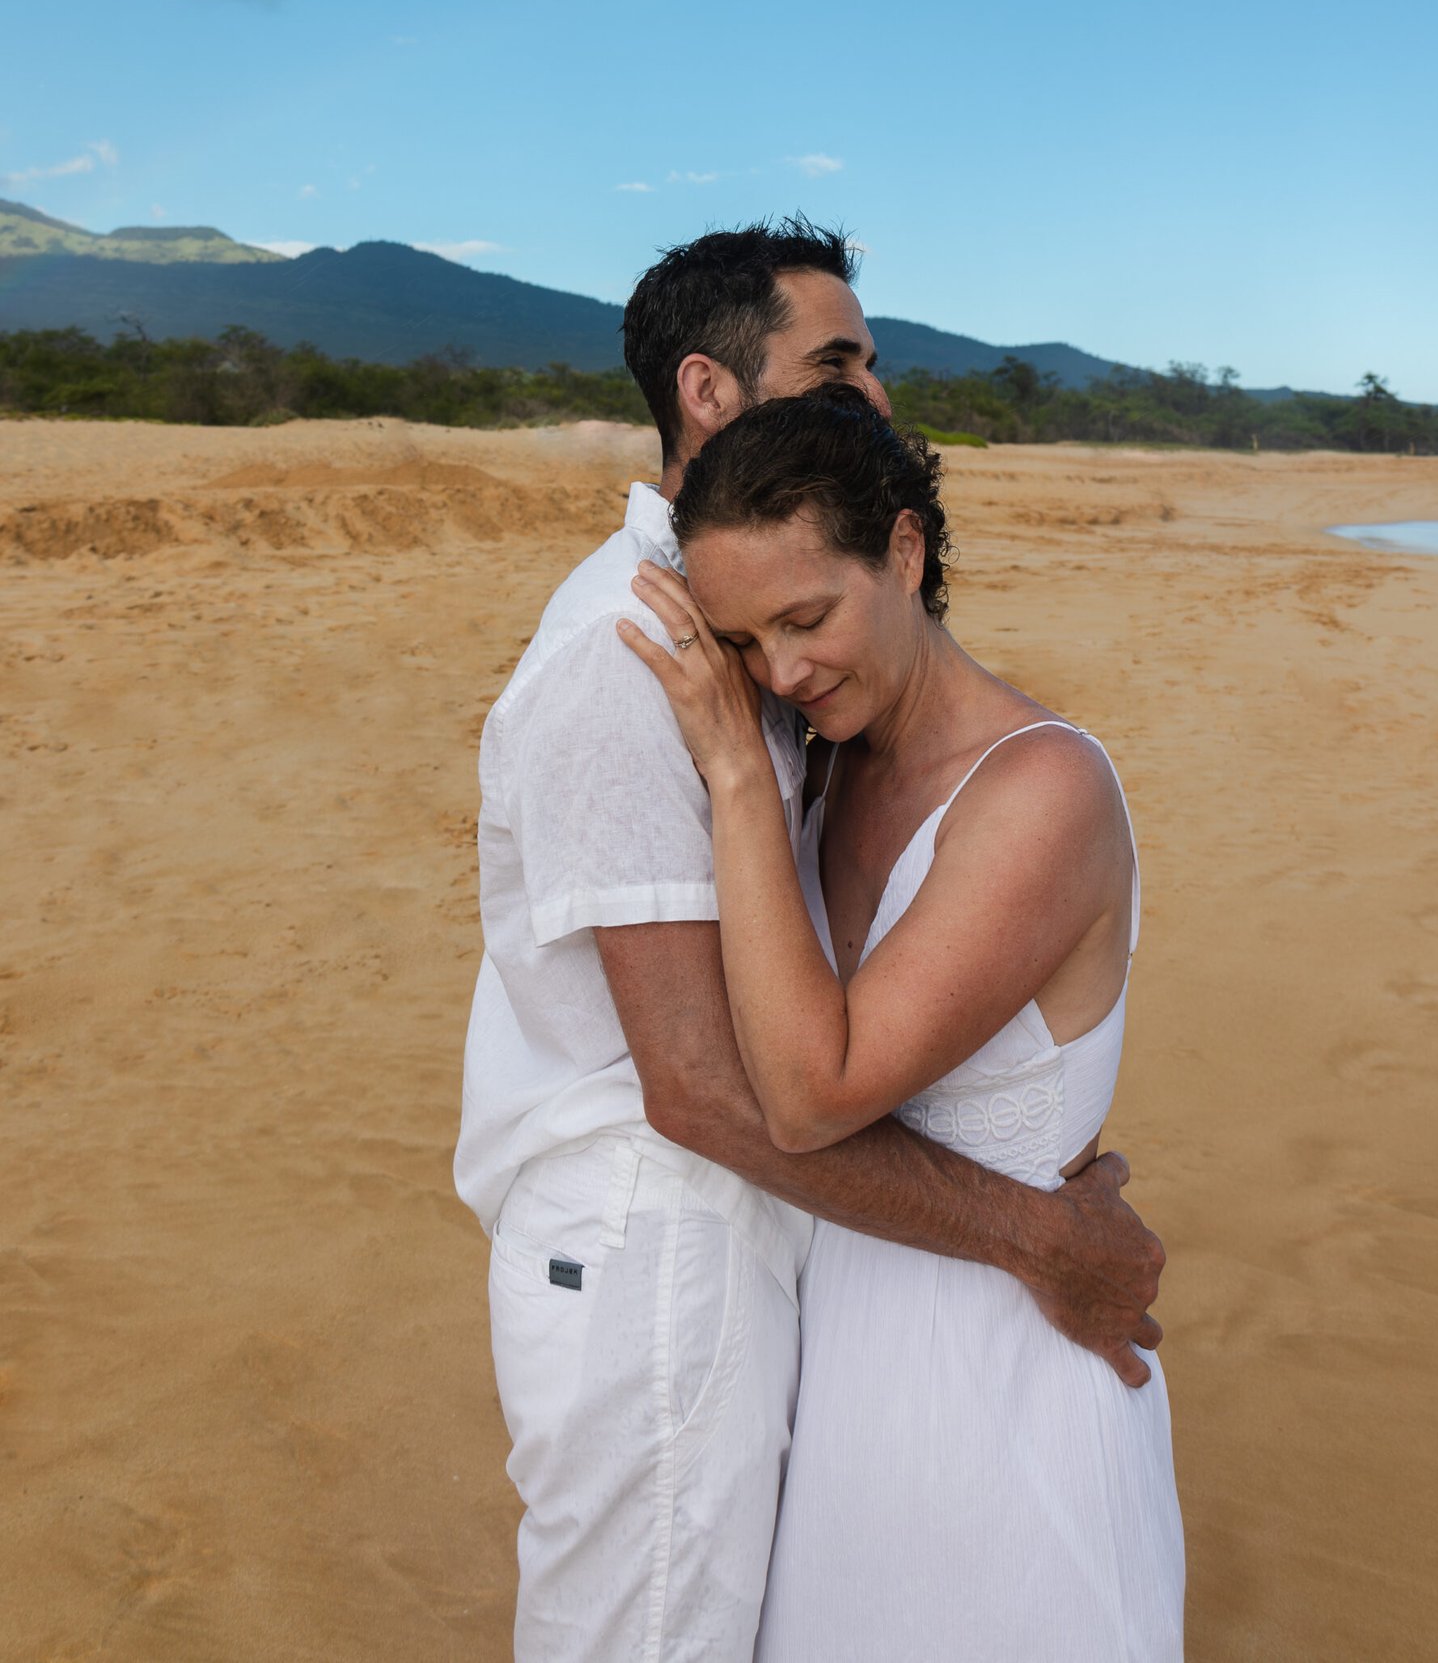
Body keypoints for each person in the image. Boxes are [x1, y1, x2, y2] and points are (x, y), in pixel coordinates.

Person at [456, 220, 1168, 1662]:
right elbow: (711, 1088)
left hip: (814, 1285)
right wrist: (1039, 1230)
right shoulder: (639, 655)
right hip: (661, 1244)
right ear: (711, 393)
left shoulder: (772, 680)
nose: (873, 398)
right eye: (833, 366)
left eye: (874, 367)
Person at [621, 385, 1185, 1660]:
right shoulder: (828, 758)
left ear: (907, 551)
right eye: (746, 642)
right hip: (838, 1378)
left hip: (1013, 1379)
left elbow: (816, 1091)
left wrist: (730, 776)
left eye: (808, 616)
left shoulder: (1041, 788)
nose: (782, 672)